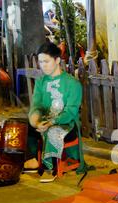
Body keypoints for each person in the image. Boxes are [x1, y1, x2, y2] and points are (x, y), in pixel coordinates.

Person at [24, 41, 88, 183]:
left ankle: (50, 168)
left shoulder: (73, 84)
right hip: (45, 119)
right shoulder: (41, 82)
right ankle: (32, 159)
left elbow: (70, 112)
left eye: (46, 61)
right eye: (40, 62)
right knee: (24, 125)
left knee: (53, 130)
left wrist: (51, 122)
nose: (43, 65)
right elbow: (36, 105)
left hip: (66, 124)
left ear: (57, 60)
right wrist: (36, 121)